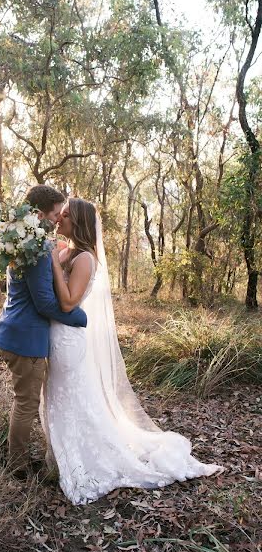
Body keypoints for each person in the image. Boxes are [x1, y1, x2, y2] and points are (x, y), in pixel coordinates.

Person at [42, 197, 223, 505]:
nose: (60, 219)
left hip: (69, 341)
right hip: (56, 335)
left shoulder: (85, 258)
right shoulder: (67, 250)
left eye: (67, 216)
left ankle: (85, 459)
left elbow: (69, 302)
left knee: (71, 400)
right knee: (60, 399)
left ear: (81, 222)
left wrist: (53, 264)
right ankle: (62, 456)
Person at [0, 186, 87, 480]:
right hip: (26, 337)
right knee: (26, 404)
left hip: (15, 330)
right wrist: (79, 316)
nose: (59, 220)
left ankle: (18, 458)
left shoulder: (27, 241)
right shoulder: (34, 247)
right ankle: (18, 467)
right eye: (56, 214)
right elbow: (45, 302)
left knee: (23, 400)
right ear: (38, 215)